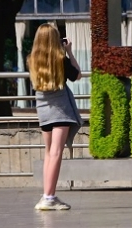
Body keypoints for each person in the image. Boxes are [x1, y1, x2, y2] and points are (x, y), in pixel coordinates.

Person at [28, 23, 82, 211]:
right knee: (56, 153)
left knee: (49, 151)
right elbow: (77, 75)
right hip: (60, 109)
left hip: (43, 110)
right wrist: (69, 52)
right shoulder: (61, 59)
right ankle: (49, 197)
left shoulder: (33, 59)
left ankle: (47, 194)